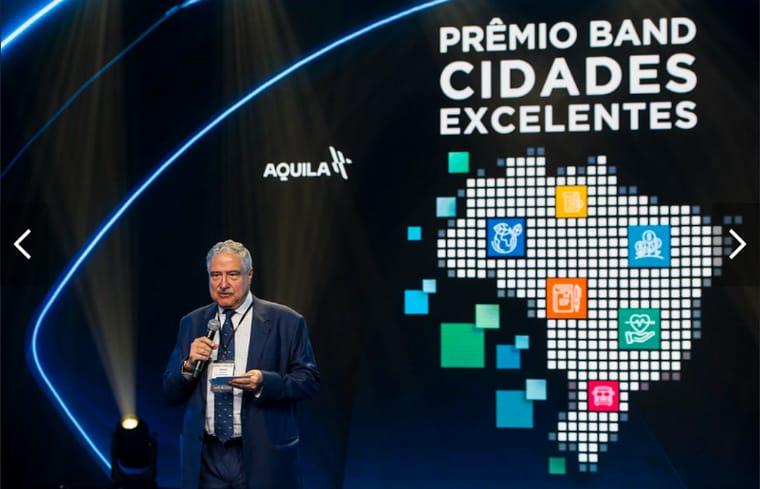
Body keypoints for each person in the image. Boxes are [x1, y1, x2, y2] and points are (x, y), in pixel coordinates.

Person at [163, 239, 320, 489]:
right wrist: (189, 365)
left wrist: (264, 382)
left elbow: (309, 381)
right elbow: (170, 392)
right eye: (216, 275)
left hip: (262, 453)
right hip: (207, 456)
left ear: (250, 275)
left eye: (233, 275)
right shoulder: (192, 323)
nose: (223, 284)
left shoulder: (286, 321)